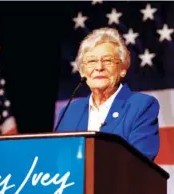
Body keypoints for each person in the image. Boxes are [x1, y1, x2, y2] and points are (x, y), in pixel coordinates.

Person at [55, 27, 160, 160]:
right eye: (92, 61)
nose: (99, 68)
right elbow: (58, 160)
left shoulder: (141, 106)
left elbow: (139, 161)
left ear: (122, 68)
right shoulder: (69, 111)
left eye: (107, 61)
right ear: (82, 71)